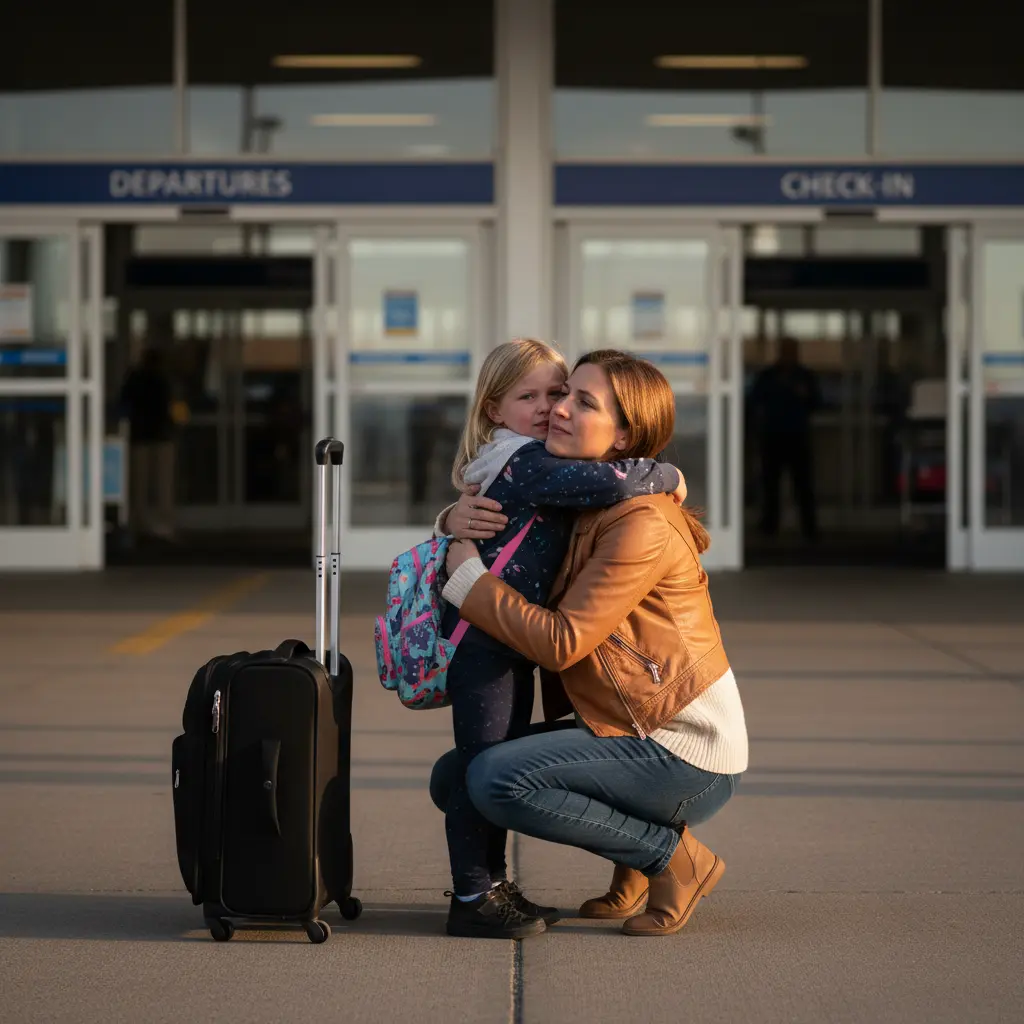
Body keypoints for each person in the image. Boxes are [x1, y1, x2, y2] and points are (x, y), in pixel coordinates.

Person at [434, 349, 748, 938]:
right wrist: (453, 518)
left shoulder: (641, 522)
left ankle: (671, 858)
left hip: (683, 749)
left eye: (582, 401)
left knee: (493, 781)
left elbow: (561, 643)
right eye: (558, 395)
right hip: (624, 724)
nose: (557, 410)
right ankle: (632, 860)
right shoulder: (580, 499)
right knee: (456, 778)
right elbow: (509, 531)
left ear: (625, 435)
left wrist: (470, 585)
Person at [748, 336, 821, 539]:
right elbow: (754, 401)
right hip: (773, 437)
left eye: (792, 350)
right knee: (771, 485)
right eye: (786, 350)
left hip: (798, 437)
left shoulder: (804, 376)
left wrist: (805, 395)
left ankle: (810, 529)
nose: (789, 355)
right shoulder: (769, 376)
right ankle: (769, 527)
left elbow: (817, 402)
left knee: (803, 485)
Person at [119, 346, 176, 540]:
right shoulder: (160, 380)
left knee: (140, 484)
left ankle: (140, 524)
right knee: (161, 484)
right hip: (157, 437)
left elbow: (124, 403)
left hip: (143, 437)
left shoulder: (138, 379)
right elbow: (171, 406)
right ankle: (160, 524)